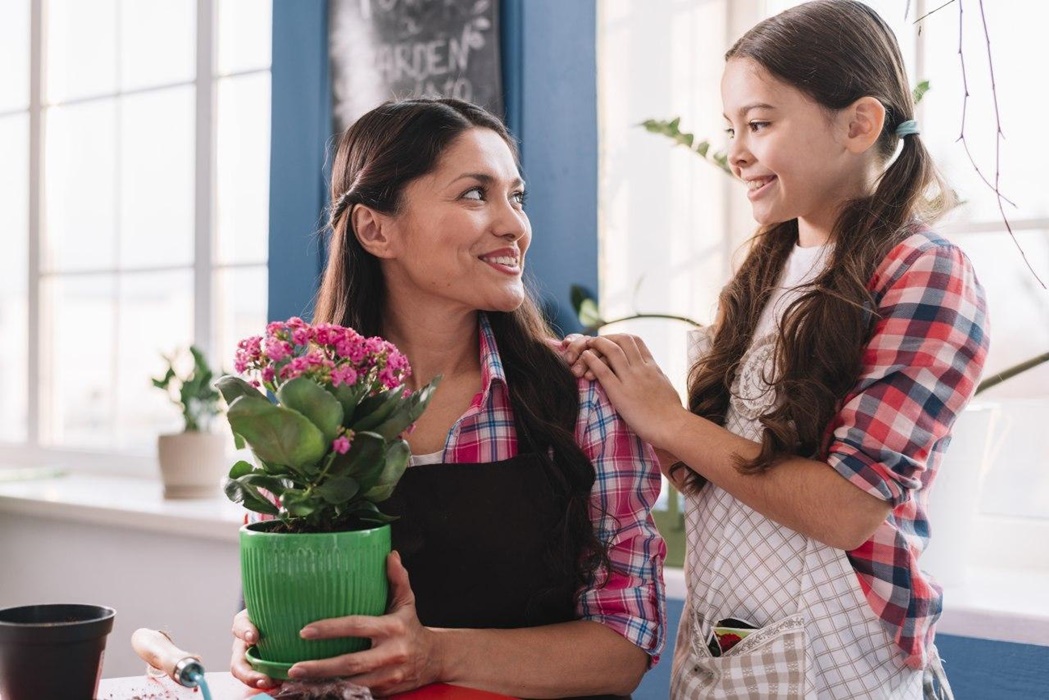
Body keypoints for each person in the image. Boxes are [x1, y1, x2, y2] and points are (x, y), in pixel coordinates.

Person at [563, 1, 989, 697]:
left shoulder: (926, 273)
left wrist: (671, 420)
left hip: (842, 663)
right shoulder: (764, 270)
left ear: (858, 124)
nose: (735, 151)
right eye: (730, 128)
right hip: (728, 642)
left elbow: (844, 510)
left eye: (758, 124)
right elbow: (728, 474)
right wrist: (628, 400)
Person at [229, 97, 667, 699]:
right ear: (375, 229)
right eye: (474, 194)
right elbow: (284, 613)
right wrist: (273, 638)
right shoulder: (300, 410)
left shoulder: (584, 396)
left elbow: (625, 644)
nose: (515, 225)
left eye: (516, 196)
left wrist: (434, 655)